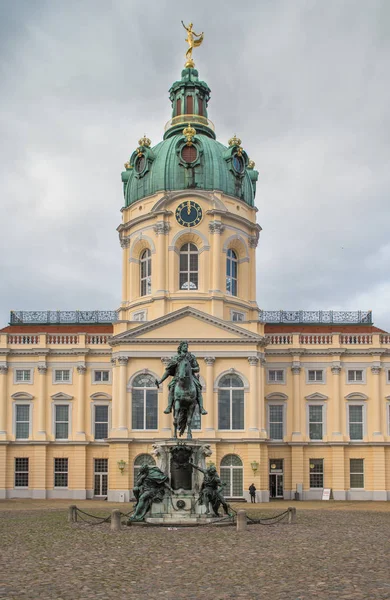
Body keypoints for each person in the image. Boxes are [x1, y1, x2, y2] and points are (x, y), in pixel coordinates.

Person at [156, 341, 207, 416]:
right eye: (184, 346)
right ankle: (169, 406)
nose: (186, 347)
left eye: (186, 346)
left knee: (198, 388)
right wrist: (160, 381)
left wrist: (190, 369)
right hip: (178, 377)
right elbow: (168, 371)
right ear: (180, 348)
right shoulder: (176, 358)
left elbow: (197, 368)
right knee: (172, 387)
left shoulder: (191, 357)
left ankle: (201, 408)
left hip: (191, 377)